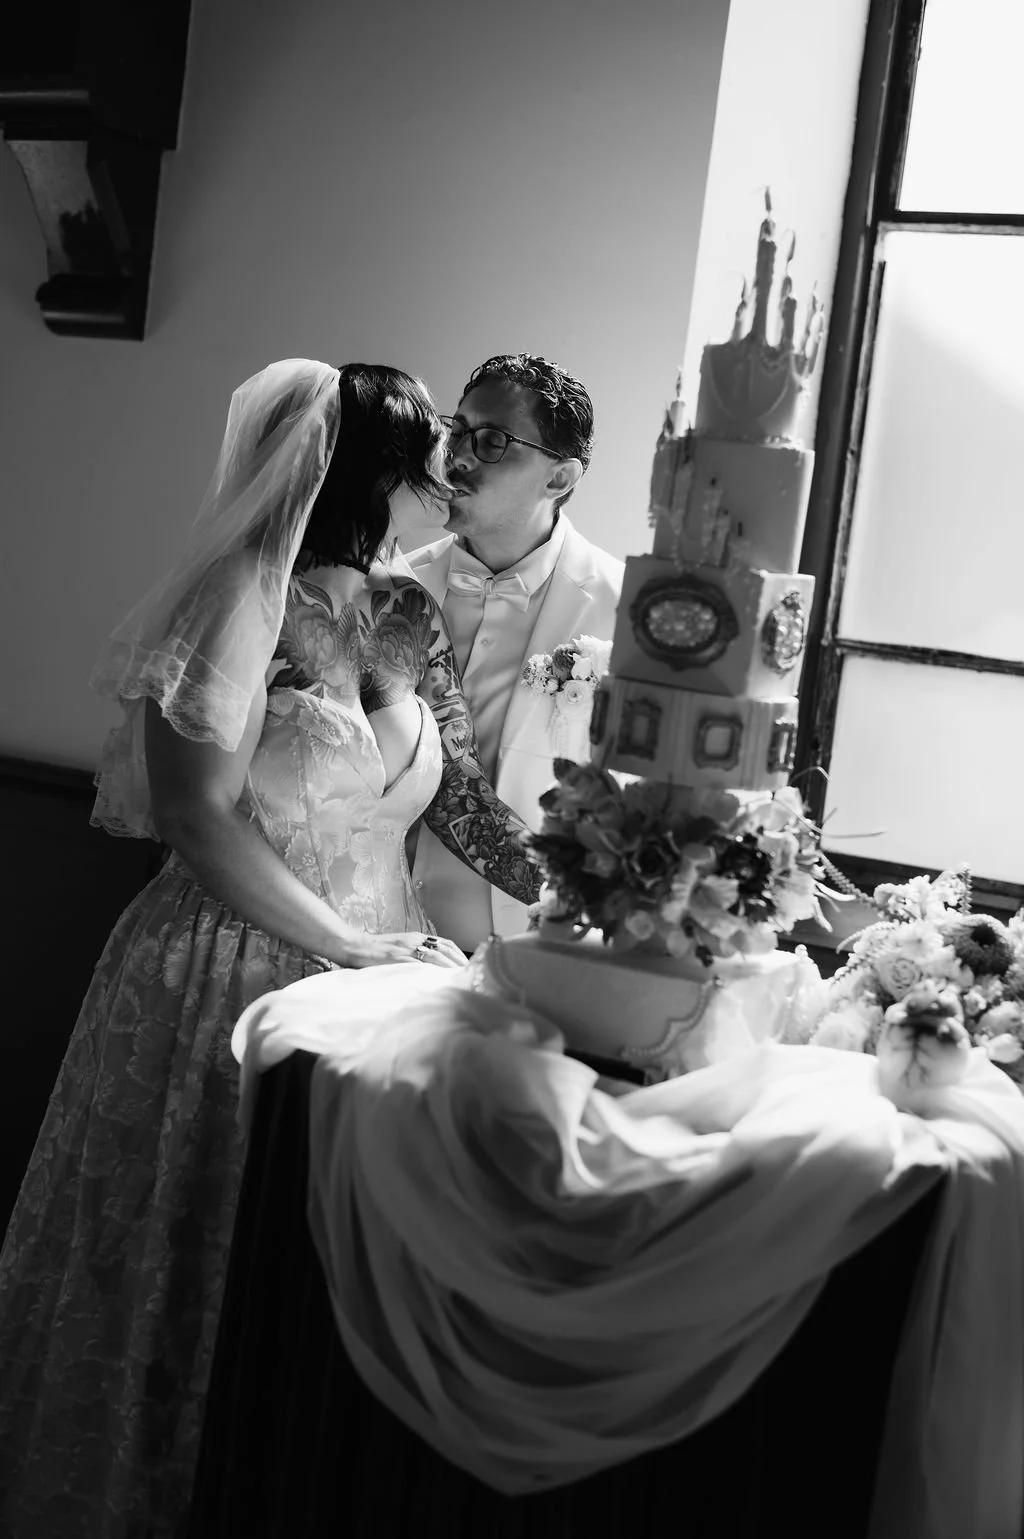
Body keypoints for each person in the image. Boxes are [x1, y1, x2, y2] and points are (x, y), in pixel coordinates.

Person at [0, 358, 540, 1538]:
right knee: (177, 1255)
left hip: (366, 977)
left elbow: (454, 806)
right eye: (425, 456)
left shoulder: (402, 611)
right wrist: (346, 943)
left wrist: (565, 901)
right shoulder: (237, 596)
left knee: (291, 1279)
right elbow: (196, 817)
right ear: (365, 474)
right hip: (221, 969)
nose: (451, 473)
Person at [404, 354, 623, 953]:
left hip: (546, 952)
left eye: (494, 440)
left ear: (560, 479)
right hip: (379, 936)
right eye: (459, 429)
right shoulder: (391, 587)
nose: (460, 455)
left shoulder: (625, 612)